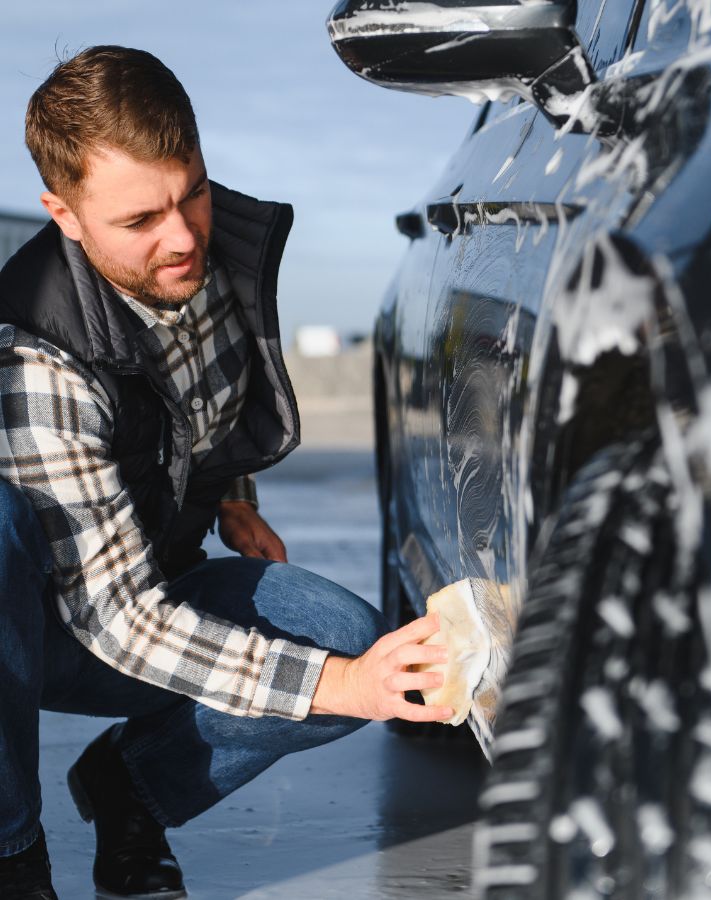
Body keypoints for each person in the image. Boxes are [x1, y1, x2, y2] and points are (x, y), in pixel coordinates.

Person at [0, 46, 454, 900]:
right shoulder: (35, 363)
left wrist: (234, 494)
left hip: (152, 573)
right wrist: (340, 689)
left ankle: (130, 787)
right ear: (64, 215)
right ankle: (13, 856)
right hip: (46, 624)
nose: (181, 238)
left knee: (348, 638)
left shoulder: (204, 263)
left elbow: (199, 405)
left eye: (193, 193)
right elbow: (120, 618)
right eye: (140, 219)